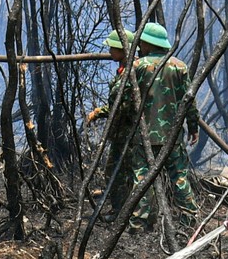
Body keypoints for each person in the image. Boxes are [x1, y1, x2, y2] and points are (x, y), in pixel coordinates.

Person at [128, 21, 199, 232]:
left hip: (144, 137)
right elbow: (189, 101)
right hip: (172, 137)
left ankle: (140, 224)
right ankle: (189, 221)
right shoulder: (179, 67)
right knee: (179, 178)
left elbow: (123, 99)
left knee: (142, 179)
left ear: (147, 43)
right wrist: (193, 127)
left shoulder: (138, 67)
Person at [85, 28, 138, 213]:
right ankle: (119, 210)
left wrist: (102, 112)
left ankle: (121, 212)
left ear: (123, 49)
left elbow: (124, 105)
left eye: (112, 48)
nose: (109, 51)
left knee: (121, 174)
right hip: (120, 133)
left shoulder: (132, 72)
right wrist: (100, 111)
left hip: (129, 133)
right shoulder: (123, 71)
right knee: (115, 172)